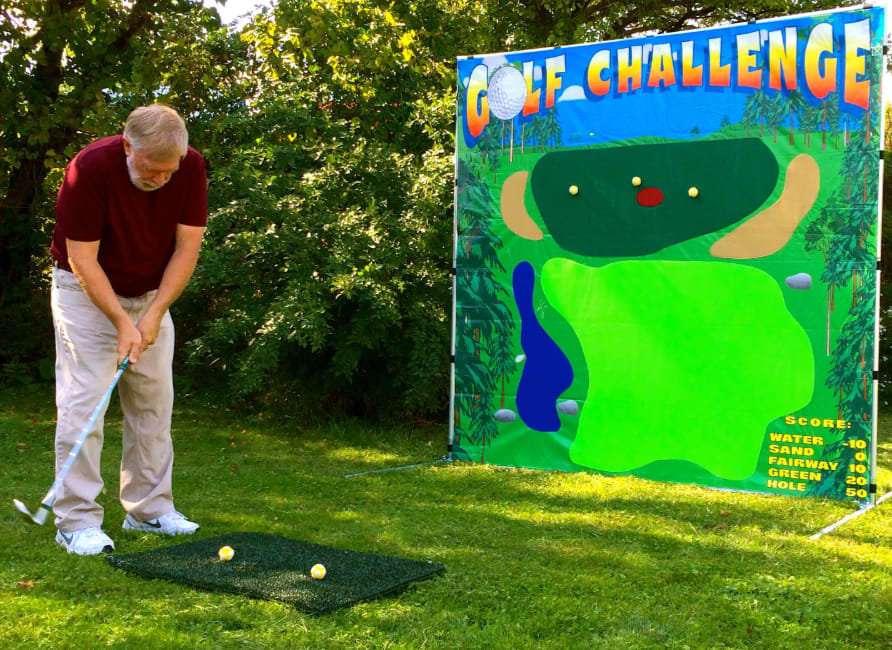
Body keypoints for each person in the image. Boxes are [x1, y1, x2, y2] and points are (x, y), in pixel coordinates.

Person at [49, 104, 207, 554]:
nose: (162, 180)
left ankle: (149, 510)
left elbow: (187, 248)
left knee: (154, 402)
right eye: (153, 169)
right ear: (126, 147)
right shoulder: (90, 168)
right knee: (85, 401)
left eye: (169, 171)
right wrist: (122, 322)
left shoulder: (190, 167)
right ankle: (76, 521)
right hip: (84, 290)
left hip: (150, 291)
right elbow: (82, 259)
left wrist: (154, 313)